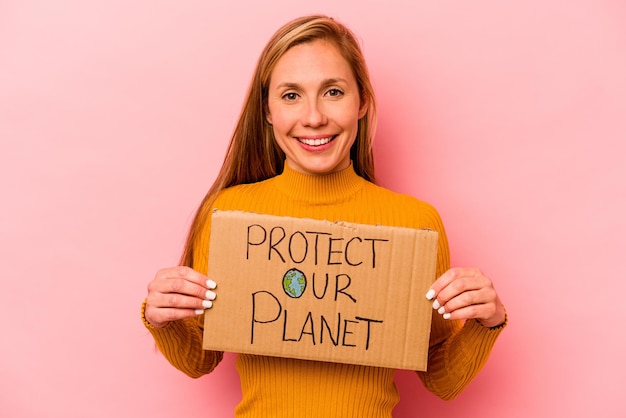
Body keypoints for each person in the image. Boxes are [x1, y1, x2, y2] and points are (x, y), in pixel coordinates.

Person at [142, 14, 507, 417]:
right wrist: (163, 317)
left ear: (362, 101)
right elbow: (199, 360)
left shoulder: (414, 224)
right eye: (291, 95)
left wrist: (485, 322)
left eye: (333, 91)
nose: (314, 117)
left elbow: (440, 378)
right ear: (267, 110)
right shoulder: (230, 214)